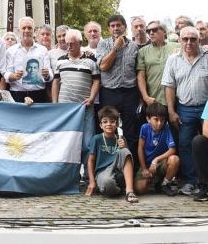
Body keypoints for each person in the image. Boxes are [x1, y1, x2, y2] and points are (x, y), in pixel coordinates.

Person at [161, 26, 208, 196]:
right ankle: (191, 181)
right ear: (179, 40)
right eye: (185, 39)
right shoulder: (173, 60)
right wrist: (171, 111)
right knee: (185, 144)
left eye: (193, 39)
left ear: (200, 40)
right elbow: (169, 86)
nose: (189, 42)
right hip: (185, 108)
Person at [52, 29, 100, 166]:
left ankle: (86, 175)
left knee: (87, 142)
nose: (69, 46)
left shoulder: (91, 60)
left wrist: (91, 98)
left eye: (72, 43)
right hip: (65, 108)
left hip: (85, 106)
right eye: (67, 43)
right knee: (67, 141)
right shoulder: (60, 61)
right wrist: (55, 103)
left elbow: (96, 81)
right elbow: (55, 82)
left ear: (80, 43)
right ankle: (71, 174)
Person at [96, 14, 140, 160]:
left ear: (124, 27)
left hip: (130, 92)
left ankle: (130, 165)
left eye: (118, 25)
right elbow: (103, 66)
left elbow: (137, 71)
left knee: (130, 130)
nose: (116, 28)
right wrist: (115, 48)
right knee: (109, 128)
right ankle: (110, 163)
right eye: (112, 26)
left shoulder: (134, 47)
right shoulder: (103, 44)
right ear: (109, 29)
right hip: (110, 92)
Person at [85, 106, 138, 203]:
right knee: (107, 183)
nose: (109, 124)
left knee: (125, 151)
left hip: (118, 171)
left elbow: (127, 158)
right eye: (105, 122)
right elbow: (90, 161)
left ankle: (129, 191)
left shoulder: (121, 138)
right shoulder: (96, 139)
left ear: (117, 124)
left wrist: (124, 146)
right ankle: (118, 189)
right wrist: (92, 182)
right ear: (100, 125)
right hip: (103, 172)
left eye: (112, 121)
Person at [134, 102, 179, 196]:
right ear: (148, 119)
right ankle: (154, 181)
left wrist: (156, 159)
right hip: (147, 164)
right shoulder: (144, 128)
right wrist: (143, 168)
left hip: (161, 163)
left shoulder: (166, 128)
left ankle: (165, 183)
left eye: (162, 120)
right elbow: (140, 148)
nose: (159, 123)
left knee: (174, 159)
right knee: (139, 189)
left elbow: (172, 149)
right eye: (156, 119)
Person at [5, 16, 51, 103]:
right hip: (17, 95)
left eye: (29, 28)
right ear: (19, 31)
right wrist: (13, 76)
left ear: (34, 30)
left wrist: (47, 75)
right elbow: (6, 73)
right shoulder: (10, 51)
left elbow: (50, 74)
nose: (26, 30)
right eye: (24, 28)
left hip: (39, 95)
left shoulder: (43, 50)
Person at [136, 20, 178, 108]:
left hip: (177, 99)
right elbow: (141, 76)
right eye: (148, 31)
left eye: (154, 30)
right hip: (154, 99)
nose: (151, 33)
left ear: (164, 31)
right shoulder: (142, 51)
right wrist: (145, 97)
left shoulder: (177, 46)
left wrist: (206, 48)